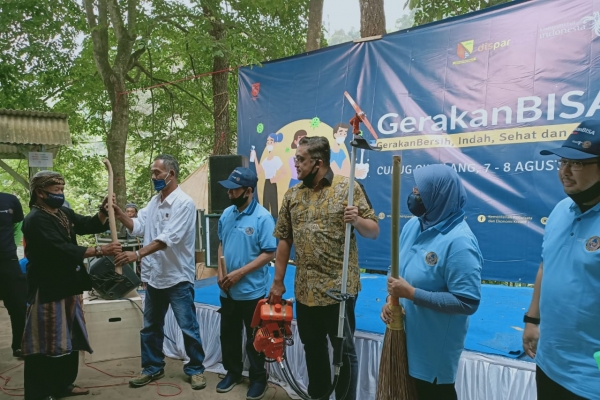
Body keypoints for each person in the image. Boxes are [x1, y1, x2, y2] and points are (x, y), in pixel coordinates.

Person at [268, 136, 380, 400]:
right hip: (305, 290)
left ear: (318, 163)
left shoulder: (347, 188)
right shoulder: (293, 195)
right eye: (296, 158)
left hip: (338, 290)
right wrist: (278, 282)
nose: (296, 164)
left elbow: (373, 230)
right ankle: (318, 395)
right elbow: (284, 240)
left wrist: (358, 220)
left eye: (301, 159)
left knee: (344, 352)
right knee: (313, 347)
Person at [381, 164, 482, 400]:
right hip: (404, 340)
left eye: (421, 190)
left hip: (432, 353)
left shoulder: (459, 242)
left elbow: (467, 302)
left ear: (439, 196)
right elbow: (396, 270)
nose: (414, 193)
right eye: (414, 188)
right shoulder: (413, 225)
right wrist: (391, 299)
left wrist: (411, 293)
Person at [21, 170, 122, 400]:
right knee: (45, 341)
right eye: (56, 190)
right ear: (40, 193)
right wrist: (100, 250)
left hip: (68, 285)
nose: (60, 193)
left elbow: (88, 224)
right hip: (47, 288)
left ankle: (63, 385)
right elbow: (60, 249)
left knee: (69, 337)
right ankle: (38, 393)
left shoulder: (63, 212)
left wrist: (103, 211)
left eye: (62, 189)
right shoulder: (35, 219)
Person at [113, 154, 207, 390]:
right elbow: (138, 227)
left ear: (171, 174)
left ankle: (196, 369)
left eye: (157, 173)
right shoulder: (154, 202)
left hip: (177, 278)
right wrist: (118, 213)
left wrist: (137, 255)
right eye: (152, 173)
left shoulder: (184, 203)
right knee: (151, 326)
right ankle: (152, 367)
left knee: (188, 327)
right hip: (154, 277)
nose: (153, 177)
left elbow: (168, 238)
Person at [522, 120, 600, 400]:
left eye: (577, 164)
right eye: (563, 162)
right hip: (549, 362)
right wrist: (532, 320)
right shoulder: (560, 210)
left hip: (590, 378)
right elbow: (547, 265)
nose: (564, 172)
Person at [216, 167, 276, 400]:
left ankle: (258, 378)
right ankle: (232, 373)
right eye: (229, 189)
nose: (229, 193)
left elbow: (269, 253)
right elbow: (221, 243)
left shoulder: (263, 218)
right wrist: (221, 273)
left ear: (248, 191)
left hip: (252, 293)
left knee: (256, 339)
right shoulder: (226, 213)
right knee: (229, 336)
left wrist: (240, 273)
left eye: (234, 189)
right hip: (227, 291)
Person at [0, 191, 26, 358]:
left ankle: (20, 345)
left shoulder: (10, 200)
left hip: (7, 261)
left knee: (18, 304)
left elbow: (18, 226)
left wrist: (11, 247)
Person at [253, 132, 284, 218]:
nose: (269, 143)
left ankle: (275, 223)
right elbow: (258, 171)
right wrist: (255, 157)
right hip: (266, 183)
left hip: (272, 183)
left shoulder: (276, 159)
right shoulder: (266, 160)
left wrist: (275, 179)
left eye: (271, 141)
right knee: (265, 206)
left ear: (275, 143)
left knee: (274, 207)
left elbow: (284, 172)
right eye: (268, 141)